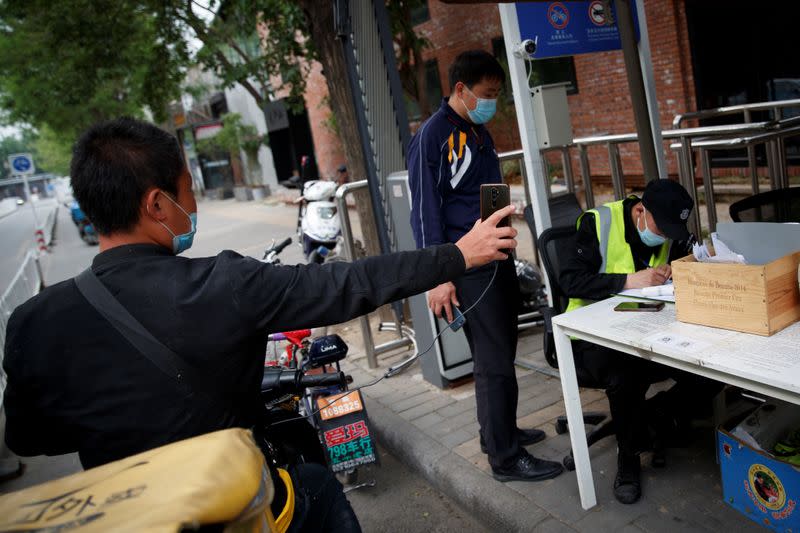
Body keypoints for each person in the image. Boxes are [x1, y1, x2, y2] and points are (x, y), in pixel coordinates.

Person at [2, 117, 518, 531]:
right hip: (242, 512)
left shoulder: (32, 323)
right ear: (156, 203)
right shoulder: (221, 285)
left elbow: (30, 439)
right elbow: (345, 284)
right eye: (187, 189)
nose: (194, 203)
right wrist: (457, 255)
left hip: (124, 518)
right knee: (315, 485)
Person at [407, 50, 563, 483]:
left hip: (497, 255)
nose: (492, 101)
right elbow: (424, 213)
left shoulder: (477, 131)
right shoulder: (433, 137)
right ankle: (506, 458)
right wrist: (437, 277)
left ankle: (498, 433)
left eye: (496, 94)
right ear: (460, 89)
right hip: (466, 263)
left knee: (497, 354)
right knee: (494, 362)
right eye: (487, 94)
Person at [560, 178, 721, 504]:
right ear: (639, 211)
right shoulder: (598, 222)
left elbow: (692, 254)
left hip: (646, 331)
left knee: (712, 368)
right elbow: (570, 280)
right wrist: (628, 281)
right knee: (624, 377)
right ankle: (628, 457)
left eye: (669, 232)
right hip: (591, 337)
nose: (663, 237)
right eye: (660, 229)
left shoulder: (669, 229)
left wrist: (688, 267)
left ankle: (650, 418)